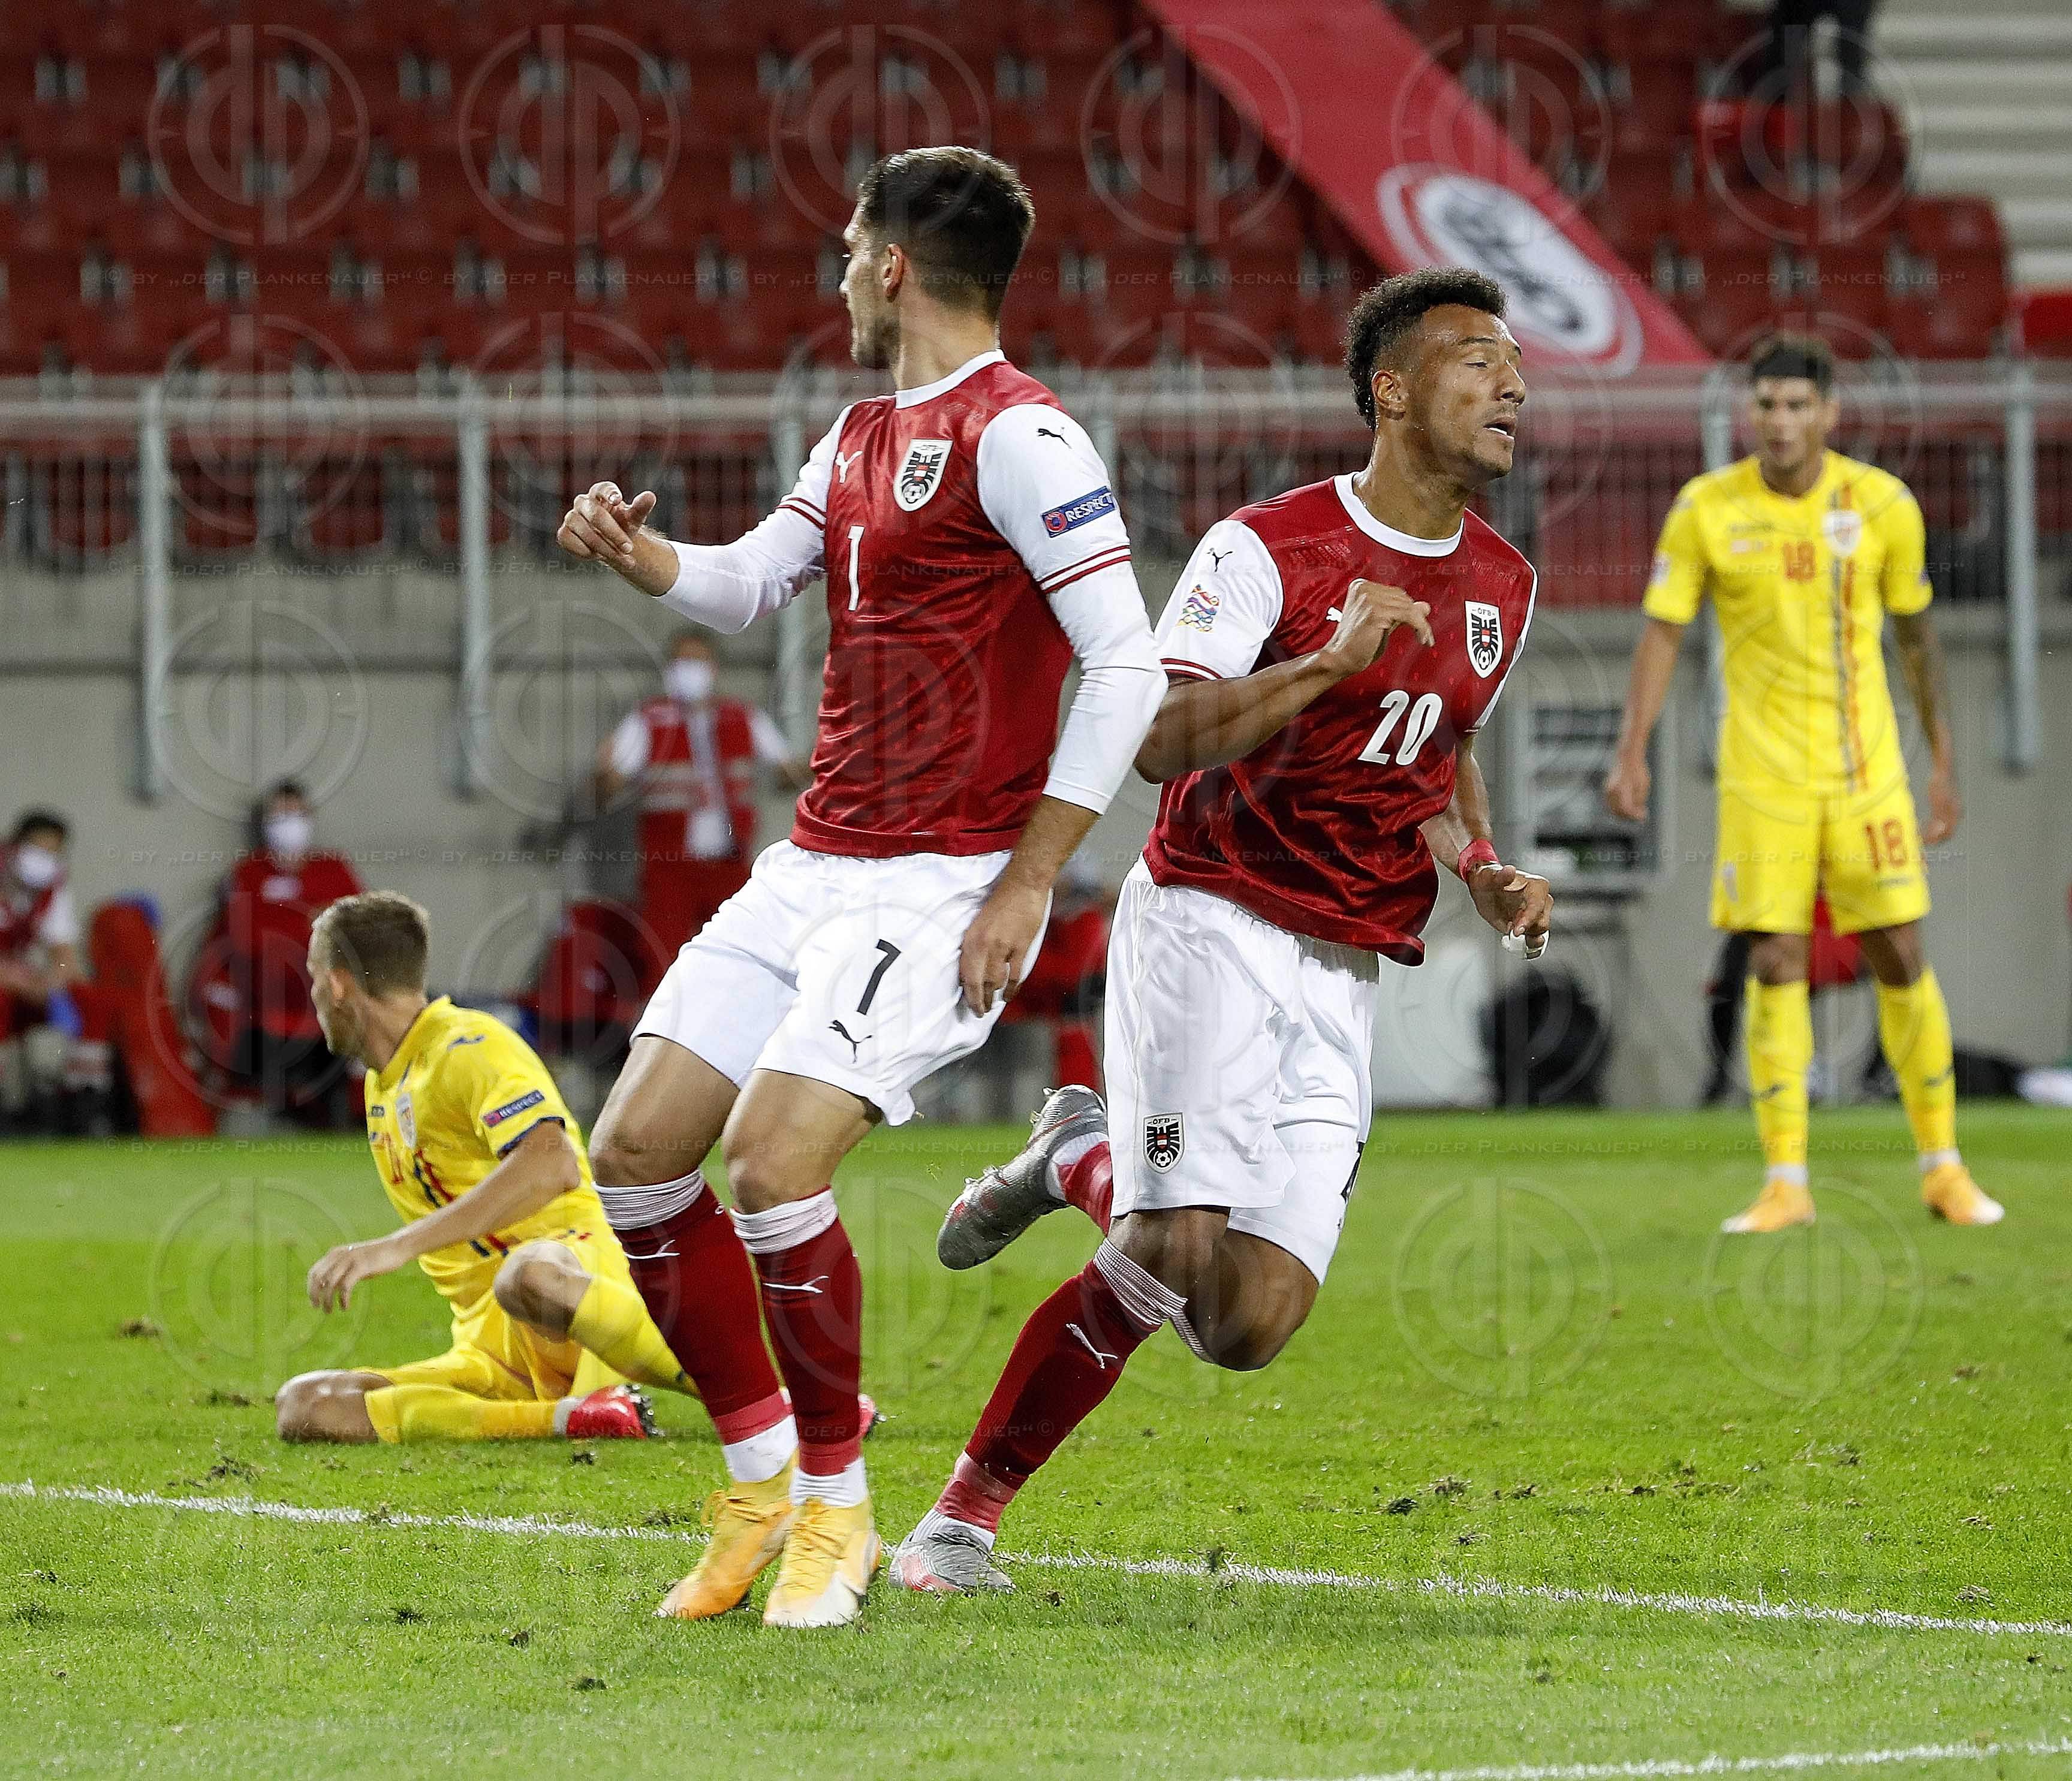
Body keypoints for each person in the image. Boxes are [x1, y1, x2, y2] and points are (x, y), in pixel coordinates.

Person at [553, 145, 1163, 1627]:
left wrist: (1030, 881)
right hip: (813, 862)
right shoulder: (858, 430)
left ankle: (838, 1508)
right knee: (634, 1151)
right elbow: (754, 579)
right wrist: (643, 560)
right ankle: (762, 1486)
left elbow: (1126, 664)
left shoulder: (1027, 438)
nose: (833, 274)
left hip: (942, 885)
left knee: (769, 1165)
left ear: (892, 266)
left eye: (845, 250)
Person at [892, 267, 1552, 1594]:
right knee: (1173, 1243)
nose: (1514, 388)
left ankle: (1077, 1153)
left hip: (1346, 967)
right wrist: (1319, 664)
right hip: (1209, 918)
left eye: (1516, 368)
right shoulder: (1270, 548)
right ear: (1394, 390)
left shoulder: (1503, 584)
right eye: (1477, 362)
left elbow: (1440, 743)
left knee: (1246, 1326)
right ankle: (958, 1522)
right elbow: (1157, 737)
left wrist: (1478, 863)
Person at [1604, 331, 1999, 1232]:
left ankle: (1943, 1165)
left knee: (1899, 947)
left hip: (1865, 773)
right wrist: (1633, 749)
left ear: (1828, 412)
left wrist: (1943, 759)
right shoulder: (1707, 507)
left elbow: (1917, 637)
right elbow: (1662, 630)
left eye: (1797, 405)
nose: (1780, 422)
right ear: (1749, 413)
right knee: (1774, 959)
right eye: (1767, 405)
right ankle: (1786, 1179)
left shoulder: (1883, 503)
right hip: (1762, 780)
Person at [273, 890, 692, 1446]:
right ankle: (577, 1417)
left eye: (312, 977)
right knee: (307, 1406)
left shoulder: (469, 1046)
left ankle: (760, 1396)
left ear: (338, 983)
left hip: (573, 1281)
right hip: (493, 1343)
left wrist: (395, 1246)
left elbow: (552, 1161)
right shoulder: (385, 1081)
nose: (313, 996)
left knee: (525, 1275)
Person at [595, 630, 808, 987]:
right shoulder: (651, 720)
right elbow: (609, 781)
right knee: (663, 955)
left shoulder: (741, 717)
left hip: (729, 861)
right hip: (670, 866)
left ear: (714, 668)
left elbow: (786, 770)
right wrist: (603, 774)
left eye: (698, 661)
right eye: (682, 661)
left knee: (742, 955)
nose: (690, 670)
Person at [206, 780, 363, 1125]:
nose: (289, 823)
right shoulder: (248, 873)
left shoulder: (333, 869)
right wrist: (307, 923)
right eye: (280, 815)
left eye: (295, 814)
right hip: (266, 1005)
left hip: (328, 1005)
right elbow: (244, 941)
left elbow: (354, 929)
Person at [0, 809, 91, 1129]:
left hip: (18, 980)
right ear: (13, 846)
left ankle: (80, 1103)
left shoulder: (52, 888)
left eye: (53, 852)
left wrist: (54, 980)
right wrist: (12, 976)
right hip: (6, 984)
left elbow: (65, 955)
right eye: (38, 849)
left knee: (84, 998)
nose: (45, 859)